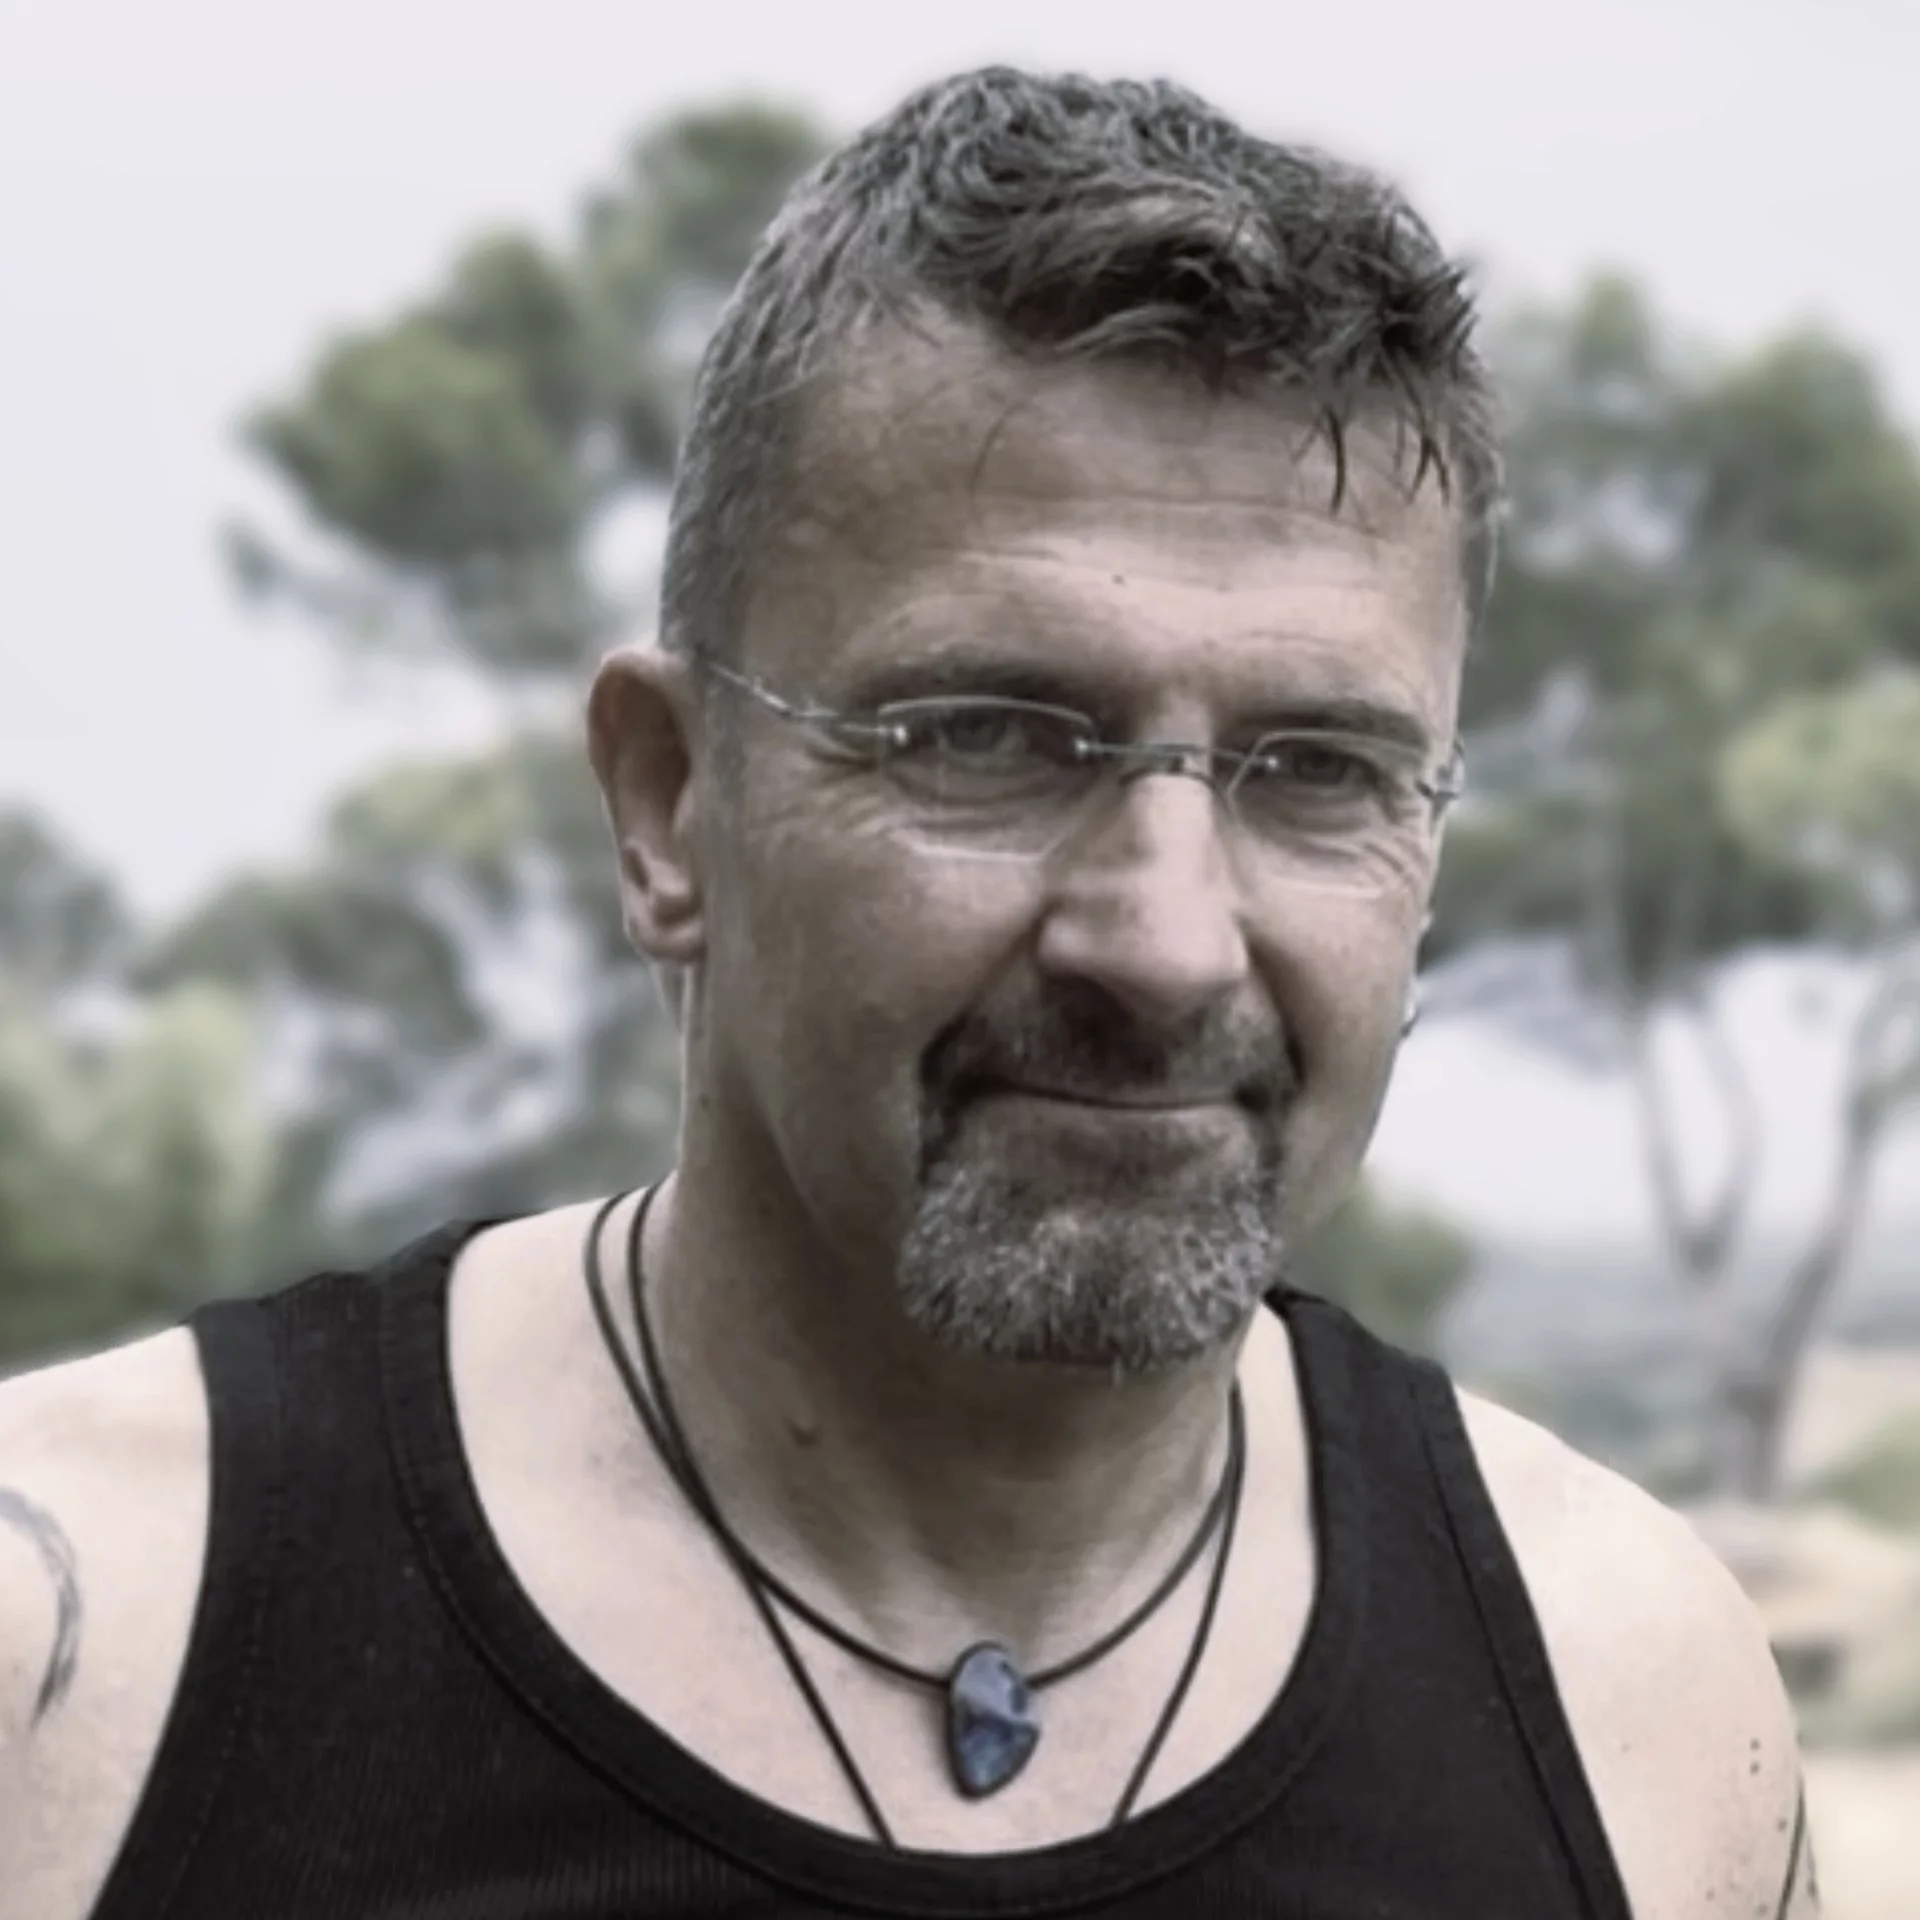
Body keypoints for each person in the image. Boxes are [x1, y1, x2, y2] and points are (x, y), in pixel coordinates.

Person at [0, 66, 1818, 1920]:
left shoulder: (1633, 1720)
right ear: (669, 805)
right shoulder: (85, 1671)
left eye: (1318, 771)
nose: (1165, 942)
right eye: (990, 736)